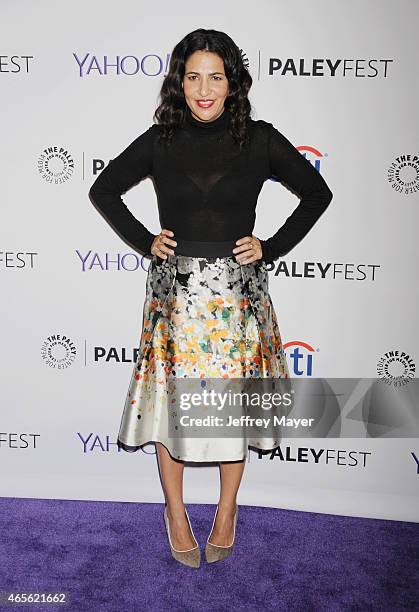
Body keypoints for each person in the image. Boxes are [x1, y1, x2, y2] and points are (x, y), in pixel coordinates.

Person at [89, 28, 333, 568]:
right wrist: (143, 240)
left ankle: (227, 511)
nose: (204, 89)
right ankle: (175, 512)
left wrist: (270, 247)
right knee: (172, 409)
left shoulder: (261, 138)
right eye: (193, 76)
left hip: (236, 297)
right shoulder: (161, 139)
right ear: (179, 81)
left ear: (232, 82)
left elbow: (318, 193)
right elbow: (102, 189)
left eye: (215, 77)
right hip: (175, 298)